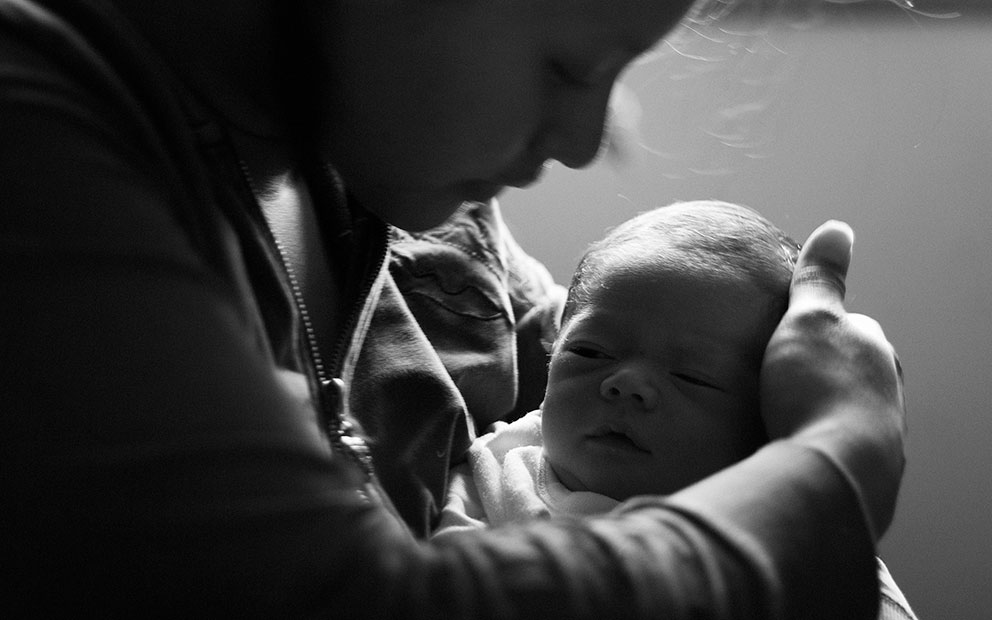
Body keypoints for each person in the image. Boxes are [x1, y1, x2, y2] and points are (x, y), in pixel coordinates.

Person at [1, 0, 906, 617]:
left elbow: (638, 381)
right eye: (568, 66)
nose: (583, 142)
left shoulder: (412, 183)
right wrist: (837, 462)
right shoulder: (42, 146)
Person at [431, 200, 918, 619]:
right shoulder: (498, 469)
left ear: (764, 426)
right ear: (552, 348)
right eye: (589, 352)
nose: (626, 384)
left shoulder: (794, 539)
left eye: (692, 377)